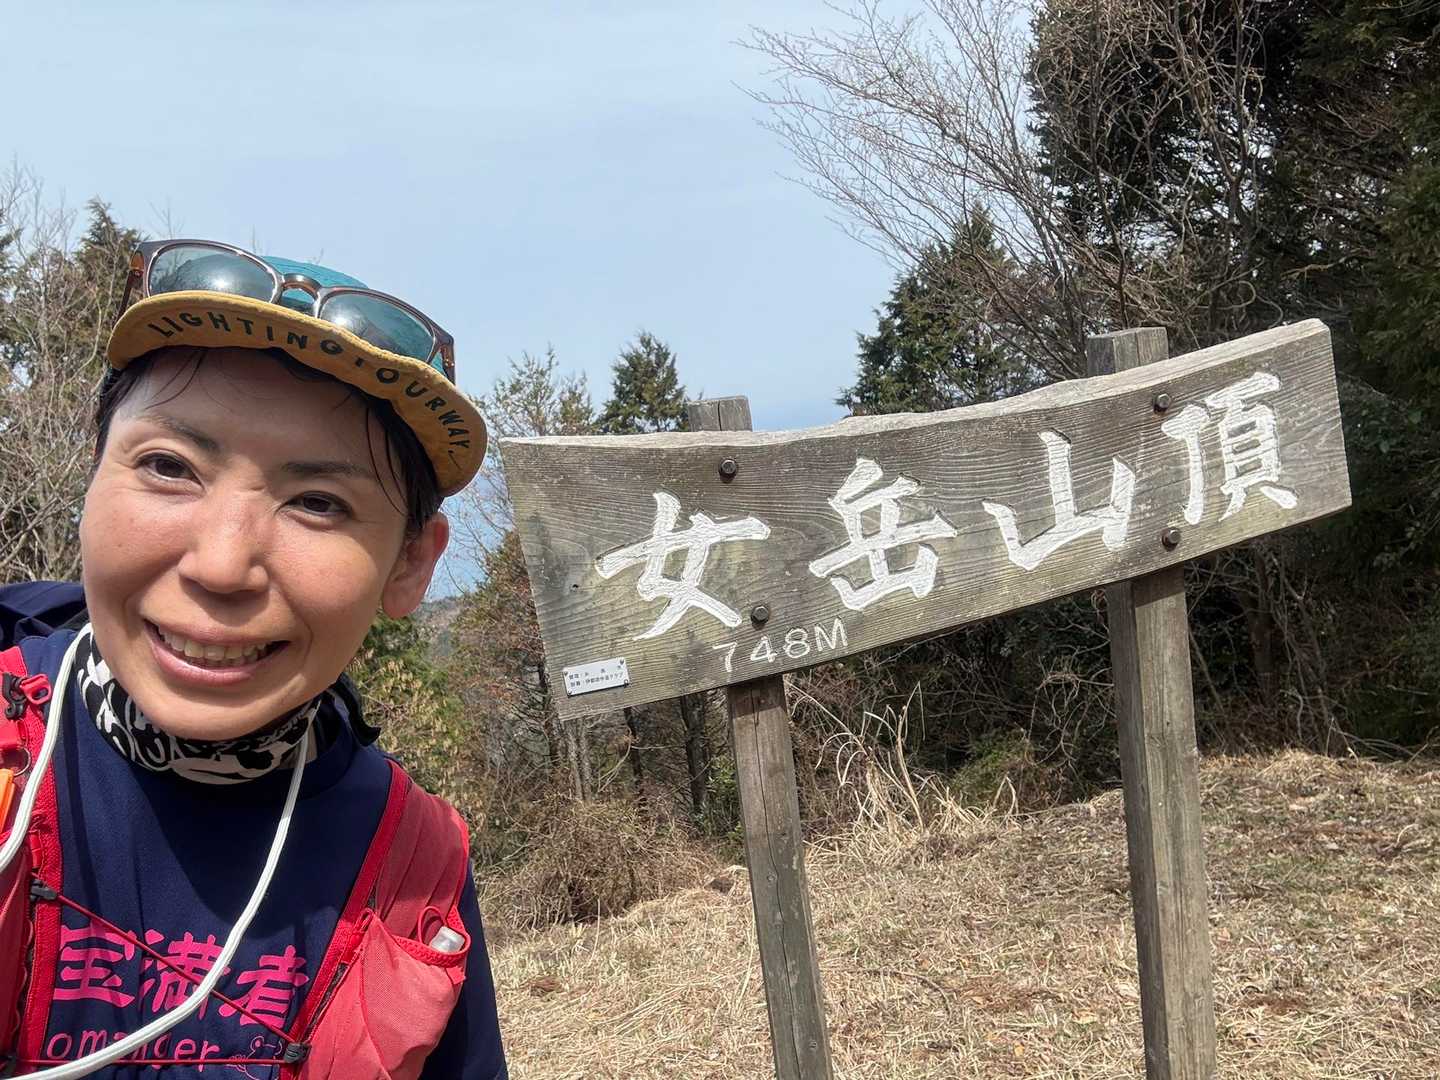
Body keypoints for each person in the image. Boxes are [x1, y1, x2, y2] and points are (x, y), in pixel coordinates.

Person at [0, 240, 508, 1078]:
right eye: (168, 467)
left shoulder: (416, 871)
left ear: (411, 562)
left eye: (319, 502)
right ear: (92, 476)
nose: (222, 565)